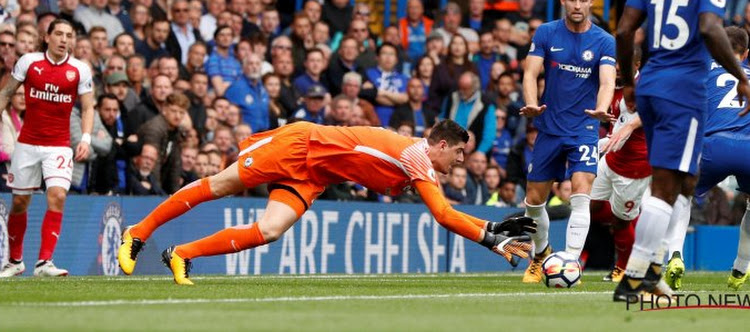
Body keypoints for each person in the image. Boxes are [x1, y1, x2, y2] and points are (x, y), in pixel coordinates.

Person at [118, 120, 536, 284]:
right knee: (222, 184)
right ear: (441, 145)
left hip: (316, 172)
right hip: (299, 146)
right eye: (458, 153)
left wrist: (491, 232)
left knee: (270, 230)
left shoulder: (416, 160)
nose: (461, 160)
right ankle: (138, 233)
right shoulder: (416, 157)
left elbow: (444, 211)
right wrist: (489, 237)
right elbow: (442, 214)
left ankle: (181, 254)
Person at [614, 0, 750, 301]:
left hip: (652, 83)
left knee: (684, 182)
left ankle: (650, 270)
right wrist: (740, 76)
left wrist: (627, 84)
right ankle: (636, 277)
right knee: (667, 186)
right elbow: (710, 27)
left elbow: (624, 31)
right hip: (683, 90)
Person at [519, 0, 616, 284]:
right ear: (563, 1)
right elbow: (530, 72)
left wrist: (602, 108)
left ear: (591, 3)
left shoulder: (604, 40)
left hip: (585, 127)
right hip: (549, 126)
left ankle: (571, 261)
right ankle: (541, 255)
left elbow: (607, 81)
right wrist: (532, 103)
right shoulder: (547, 32)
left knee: (581, 191)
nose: (577, 5)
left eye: (583, 0)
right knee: (534, 202)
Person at [658, 27, 750, 291]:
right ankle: (740, 269)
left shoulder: (702, 70)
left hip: (714, 144)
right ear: (746, 53)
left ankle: (675, 255)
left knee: (680, 194)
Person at [0, 19, 94, 278]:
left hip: (59, 146)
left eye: (69, 36)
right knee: (20, 202)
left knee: (58, 195)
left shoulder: (79, 70)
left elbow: (87, 106)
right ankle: (15, 261)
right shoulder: (29, 62)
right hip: (27, 143)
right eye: (60, 34)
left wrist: (85, 138)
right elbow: (7, 93)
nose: (65, 40)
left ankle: (44, 263)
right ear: (47, 36)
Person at [590, 51, 651, 284]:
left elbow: (621, 137)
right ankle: (572, 258)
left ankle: (626, 267)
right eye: (613, 63)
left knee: (620, 221)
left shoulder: (638, 92)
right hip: (612, 160)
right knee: (587, 204)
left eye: (620, 63)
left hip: (634, 168)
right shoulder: (612, 85)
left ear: (636, 64)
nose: (615, 67)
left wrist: (591, 147)